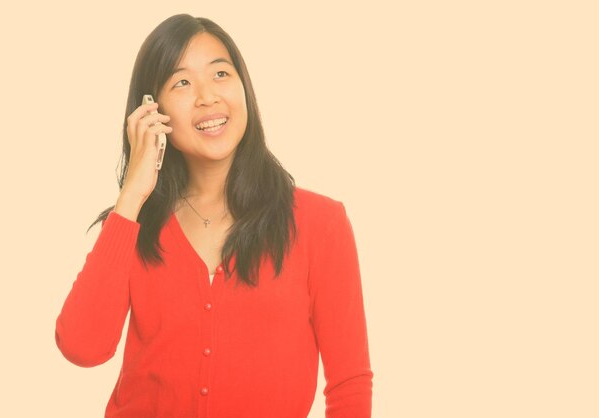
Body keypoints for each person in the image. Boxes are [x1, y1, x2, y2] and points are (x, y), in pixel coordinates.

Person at [54, 14, 373, 418]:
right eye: (181, 82)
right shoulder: (129, 227)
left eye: (220, 73)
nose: (207, 96)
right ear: (152, 109)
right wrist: (131, 195)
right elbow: (82, 348)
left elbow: (349, 386)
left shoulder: (319, 223)